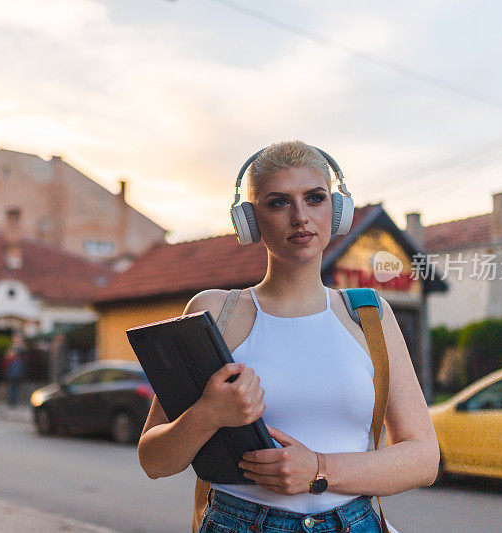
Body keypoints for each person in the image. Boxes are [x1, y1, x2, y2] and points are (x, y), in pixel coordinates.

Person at [137, 141, 439, 533]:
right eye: (278, 202)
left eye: (315, 198)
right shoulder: (216, 312)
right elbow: (154, 460)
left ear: (337, 210)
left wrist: (320, 469)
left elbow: (423, 457)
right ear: (249, 220)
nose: (301, 217)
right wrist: (208, 414)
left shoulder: (369, 314)